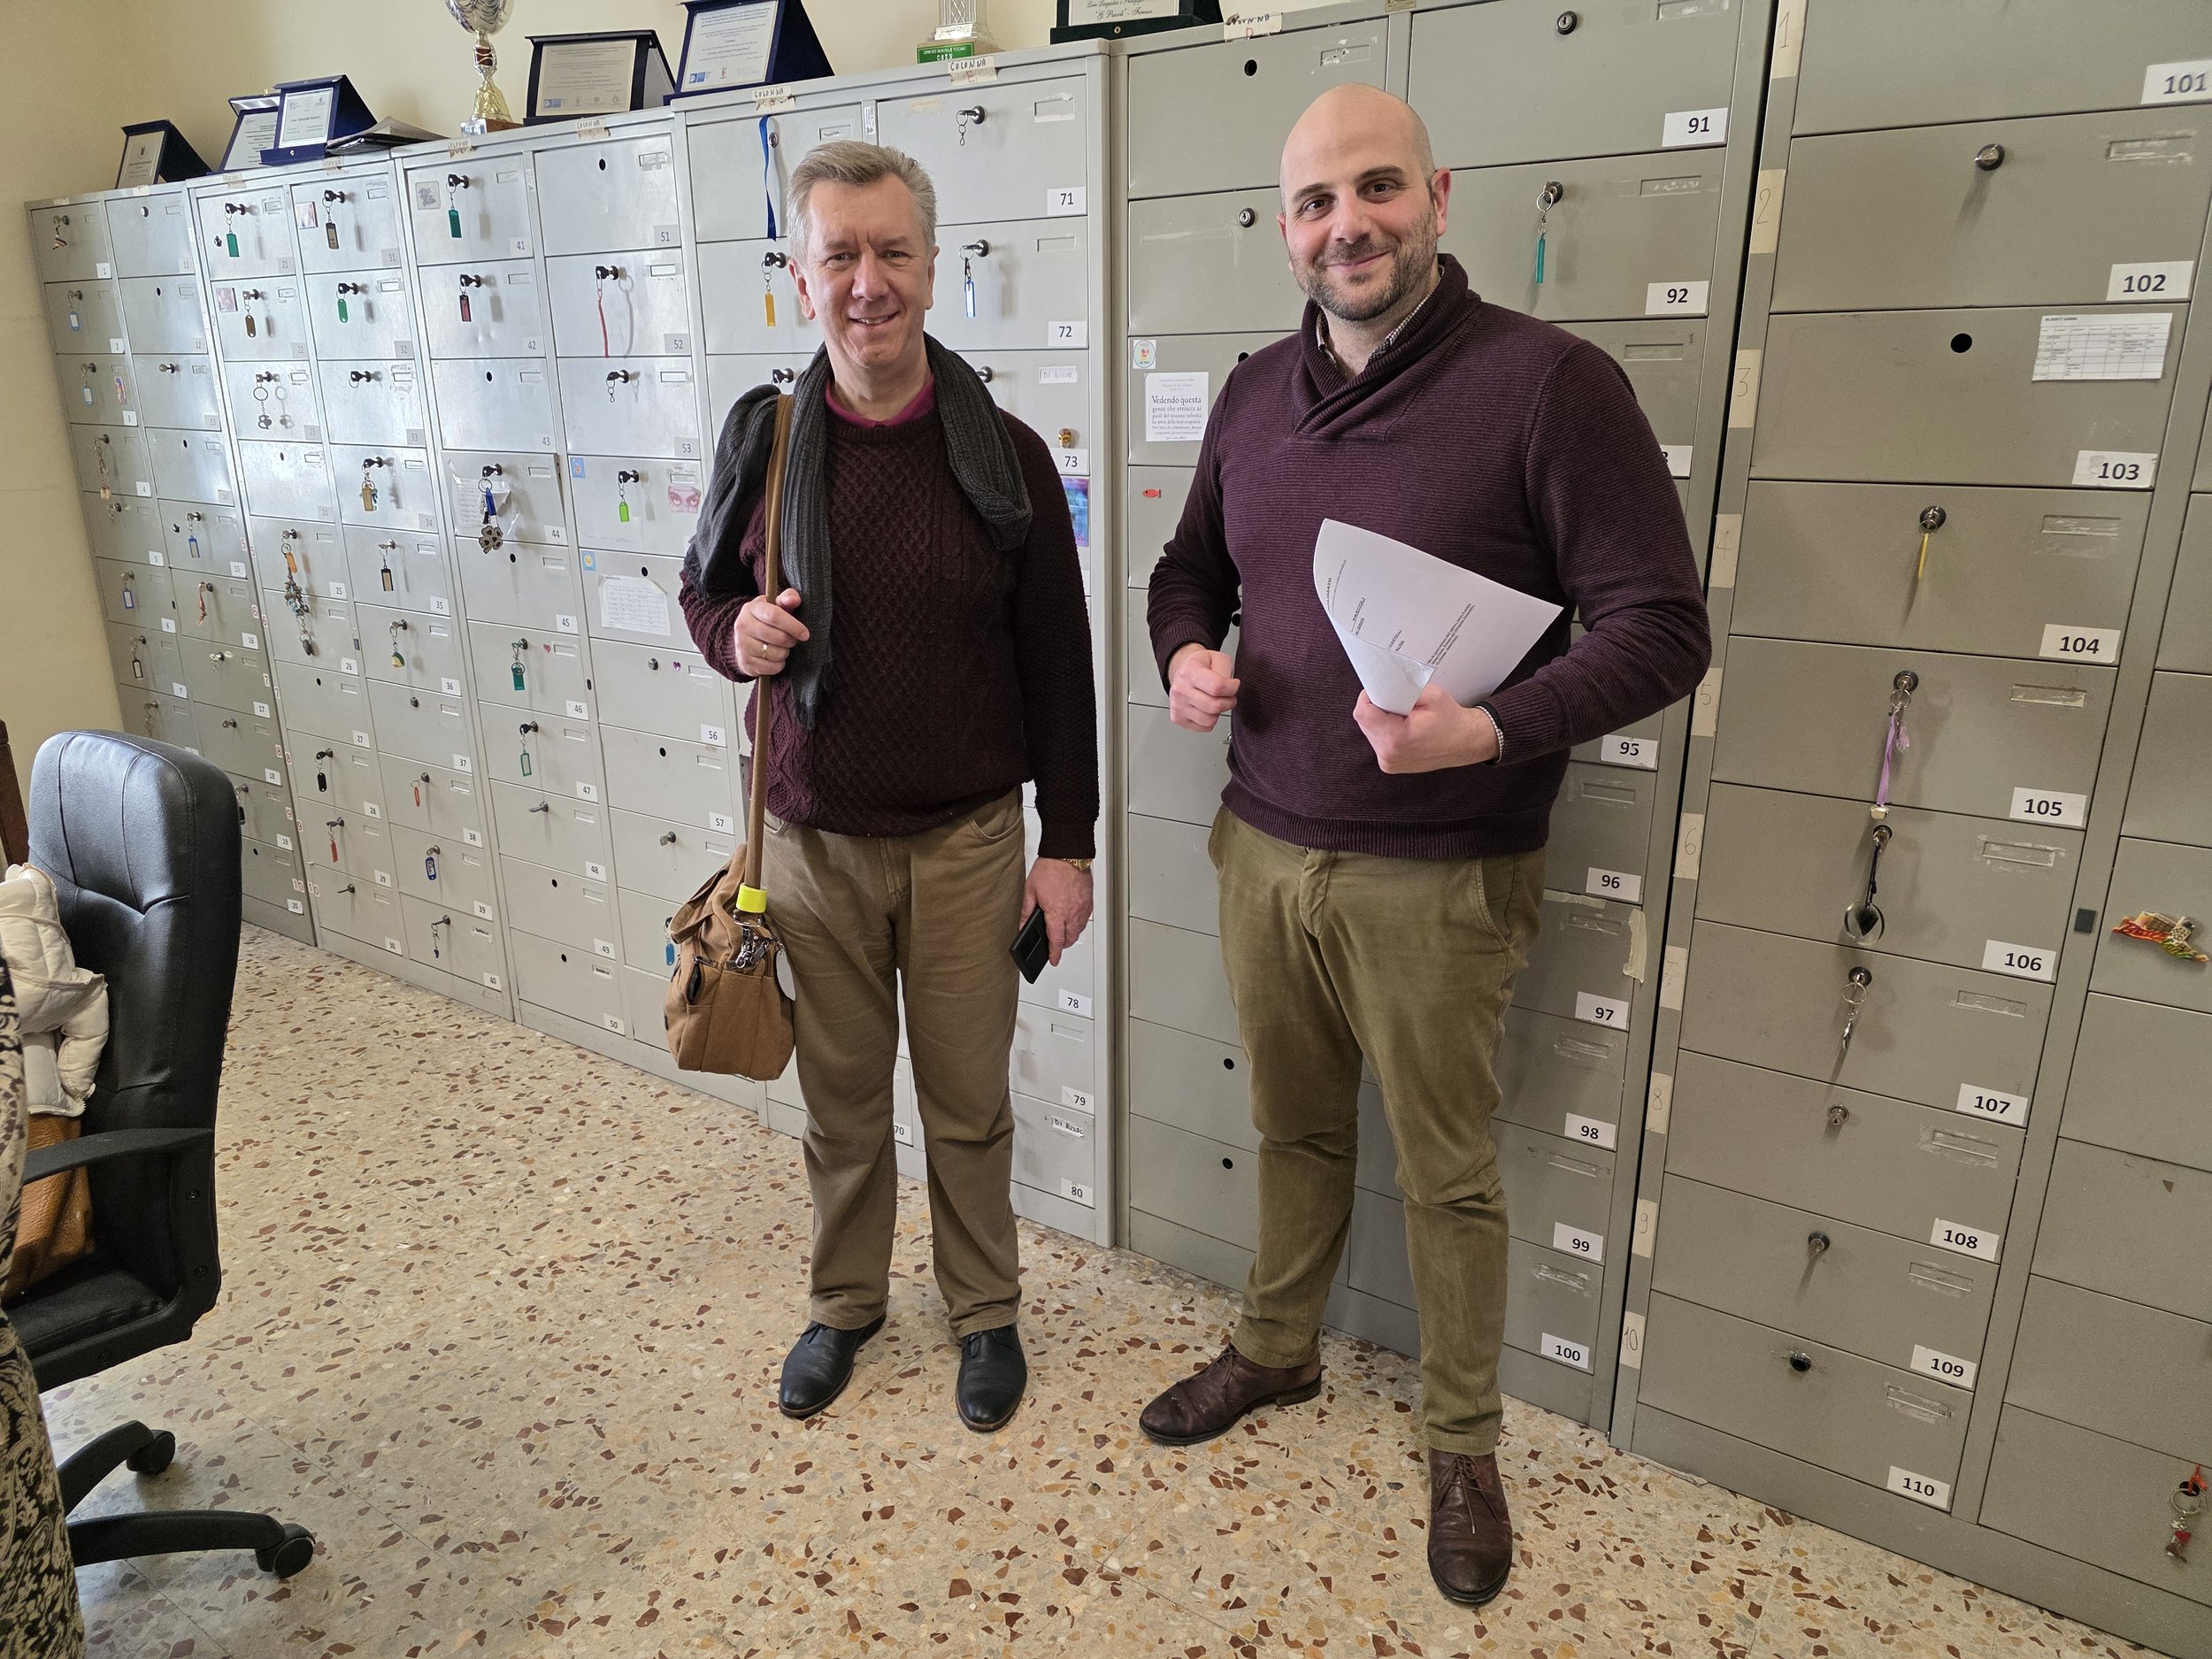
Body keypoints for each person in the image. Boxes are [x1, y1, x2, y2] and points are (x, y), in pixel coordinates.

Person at [1134, 85, 1710, 1606]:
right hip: (1265, 845)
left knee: (1449, 1173)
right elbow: (1187, 571)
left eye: (1377, 189)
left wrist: (1497, 729)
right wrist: (1184, 653)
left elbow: (1663, 628)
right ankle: (1277, 1347)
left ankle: (1462, 1441)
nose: (1350, 226)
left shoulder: (1550, 385)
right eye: (1316, 203)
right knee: (1295, 1129)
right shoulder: (1253, 394)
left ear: (1439, 196)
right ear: (1284, 230)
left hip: (1444, 870)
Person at [680, 141, 1098, 1433]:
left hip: (967, 843)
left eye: (894, 252)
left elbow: (1057, 658)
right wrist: (734, 636)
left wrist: (1069, 842)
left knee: (968, 1103)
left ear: (930, 264)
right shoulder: (766, 440)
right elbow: (704, 591)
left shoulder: (1003, 455)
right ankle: (845, 1302)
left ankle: (985, 1309)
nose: (869, 281)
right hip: (811, 845)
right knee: (843, 1105)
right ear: (799, 275)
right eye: (841, 255)